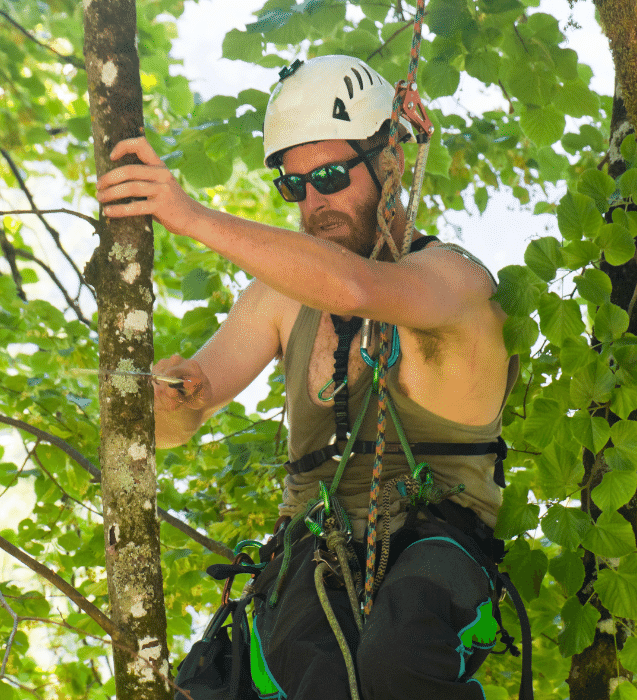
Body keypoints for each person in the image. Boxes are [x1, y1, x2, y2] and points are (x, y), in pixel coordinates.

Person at [97, 55, 517, 700]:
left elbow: (354, 287)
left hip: (430, 560)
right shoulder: (277, 298)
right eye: (295, 187)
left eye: (328, 175)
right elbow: (173, 426)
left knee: (395, 662)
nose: (315, 203)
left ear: (390, 162)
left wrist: (193, 216)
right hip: (306, 566)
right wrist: (171, 392)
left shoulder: (454, 282)